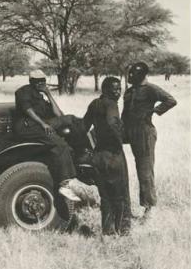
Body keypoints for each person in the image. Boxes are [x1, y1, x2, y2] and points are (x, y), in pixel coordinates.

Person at [13, 70, 93, 203]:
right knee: (60, 145)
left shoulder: (41, 97)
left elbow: (59, 114)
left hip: (41, 124)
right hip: (28, 127)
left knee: (70, 119)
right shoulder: (24, 92)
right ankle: (65, 184)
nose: (41, 83)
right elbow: (28, 110)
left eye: (43, 80)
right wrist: (43, 123)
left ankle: (85, 146)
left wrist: (48, 94)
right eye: (37, 81)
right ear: (31, 81)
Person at [122, 62, 177, 220]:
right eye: (129, 73)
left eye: (133, 73)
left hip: (145, 133)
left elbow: (170, 100)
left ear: (141, 74)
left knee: (145, 171)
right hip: (129, 132)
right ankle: (124, 209)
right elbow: (124, 114)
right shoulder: (129, 91)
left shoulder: (151, 89)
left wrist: (154, 111)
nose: (130, 76)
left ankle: (148, 210)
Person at [83, 77, 131, 235]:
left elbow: (83, 126)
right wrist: (120, 140)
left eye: (119, 89)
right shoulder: (111, 104)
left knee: (105, 196)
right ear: (105, 90)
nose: (117, 92)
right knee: (120, 195)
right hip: (113, 154)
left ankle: (108, 231)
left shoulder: (94, 104)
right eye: (114, 89)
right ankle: (123, 230)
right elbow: (112, 124)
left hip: (98, 155)